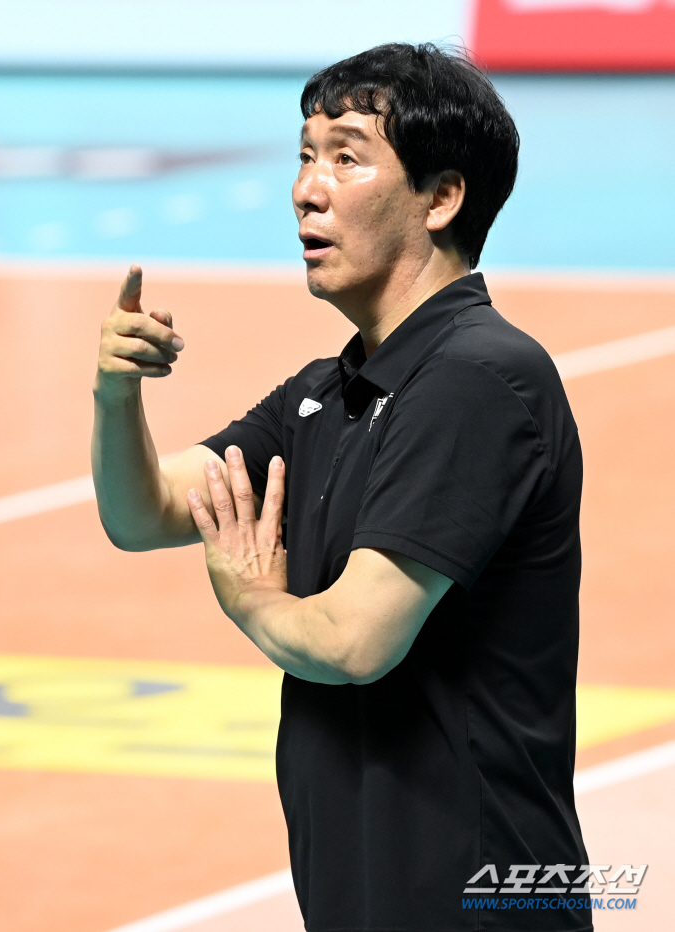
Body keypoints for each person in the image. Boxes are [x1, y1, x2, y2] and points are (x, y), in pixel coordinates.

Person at [93, 43, 592, 932]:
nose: (306, 189)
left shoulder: (478, 377)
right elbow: (142, 513)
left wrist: (251, 598)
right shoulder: (327, 393)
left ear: (441, 198)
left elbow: (355, 642)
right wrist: (114, 393)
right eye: (305, 155)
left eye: (346, 157)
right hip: (364, 891)